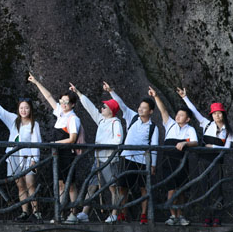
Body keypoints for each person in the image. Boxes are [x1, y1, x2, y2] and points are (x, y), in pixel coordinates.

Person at [0, 88, 42, 223]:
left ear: (30, 109)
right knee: (20, 185)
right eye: (21, 108)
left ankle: (36, 212)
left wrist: (35, 160)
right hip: (14, 157)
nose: (24, 110)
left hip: (28, 158)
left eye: (26, 108)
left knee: (30, 184)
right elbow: (0, 111)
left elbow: (36, 142)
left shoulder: (34, 124)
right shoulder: (14, 120)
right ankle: (24, 212)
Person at [28, 72, 82, 224]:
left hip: (67, 154)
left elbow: (72, 139)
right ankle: (60, 213)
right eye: (62, 101)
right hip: (58, 153)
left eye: (66, 102)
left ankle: (73, 214)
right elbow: (49, 97)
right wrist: (36, 82)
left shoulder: (73, 119)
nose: (63, 104)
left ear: (72, 104)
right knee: (59, 184)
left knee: (70, 184)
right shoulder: (60, 114)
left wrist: (55, 143)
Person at [177, 87, 233, 227]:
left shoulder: (228, 131)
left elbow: (227, 149)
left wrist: (213, 146)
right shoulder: (206, 124)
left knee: (217, 188)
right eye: (214, 114)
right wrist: (184, 97)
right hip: (203, 161)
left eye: (219, 113)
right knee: (204, 188)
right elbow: (194, 111)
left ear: (223, 114)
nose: (217, 116)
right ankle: (207, 217)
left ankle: (217, 217)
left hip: (217, 162)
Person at [105, 82, 159, 225]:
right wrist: (111, 91)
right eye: (140, 107)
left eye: (144, 108)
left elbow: (154, 147)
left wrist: (153, 165)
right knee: (123, 186)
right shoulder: (133, 117)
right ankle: (123, 213)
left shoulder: (153, 127)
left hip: (143, 160)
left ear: (151, 111)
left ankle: (144, 214)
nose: (141, 109)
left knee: (144, 188)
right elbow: (121, 104)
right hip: (127, 157)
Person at [70, 82, 123, 224]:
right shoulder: (101, 120)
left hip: (109, 160)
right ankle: (84, 213)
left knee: (113, 187)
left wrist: (102, 145)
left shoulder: (116, 123)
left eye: (105, 107)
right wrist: (78, 93)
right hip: (98, 159)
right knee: (92, 185)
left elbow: (118, 140)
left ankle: (114, 213)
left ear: (111, 110)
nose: (101, 108)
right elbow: (90, 108)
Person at [149, 86, 197, 226]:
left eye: (181, 115)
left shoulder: (190, 129)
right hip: (168, 162)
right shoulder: (170, 124)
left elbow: (195, 142)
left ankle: (180, 215)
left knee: (181, 191)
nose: (178, 116)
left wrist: (185, 143)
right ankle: (172, 215)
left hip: (181, 163)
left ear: (188, 119)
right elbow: (163, 111)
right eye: (177, 114)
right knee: (171, 190)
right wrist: (156, 96)